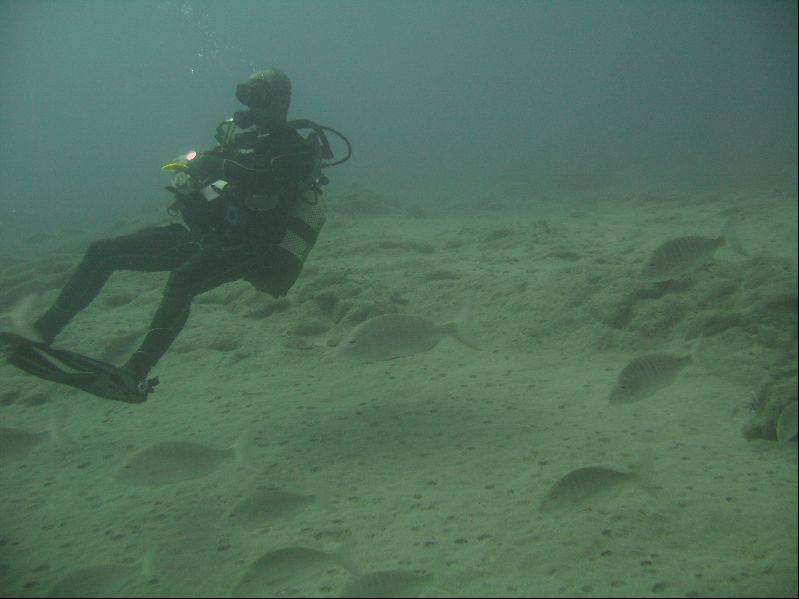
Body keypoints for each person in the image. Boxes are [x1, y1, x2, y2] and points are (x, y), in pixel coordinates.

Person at [10, 68, 349, 402]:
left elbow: (262, 179)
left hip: (251, 247)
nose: (250, 104)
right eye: (245, 95)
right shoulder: (241, 142)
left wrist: (211, 165)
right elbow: (216, 175)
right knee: (103, 251)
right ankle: (42, 332)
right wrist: (191, 177)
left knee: (182, 281)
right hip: (209, 235)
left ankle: (133, 373)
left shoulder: (294, 149)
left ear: (280, 101)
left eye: (258, 96)